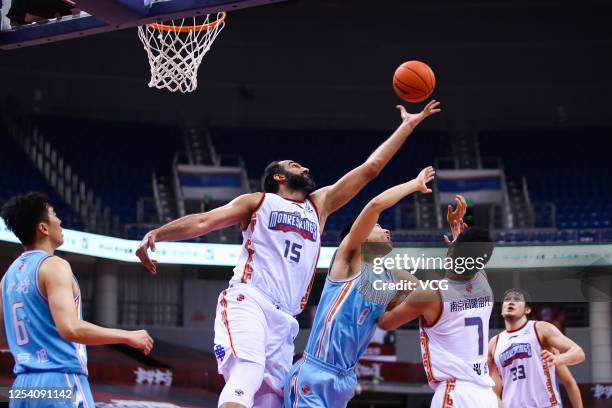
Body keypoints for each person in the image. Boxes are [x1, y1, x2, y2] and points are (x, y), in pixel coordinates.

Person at [136, 101, 442, 408]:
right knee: (247, 373)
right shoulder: (257, 202)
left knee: (272, 400)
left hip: (285, 320)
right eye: (295, 166)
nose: (305, 168)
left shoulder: (318, 205)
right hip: (250, 300)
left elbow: (370, 170)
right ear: (279, 177)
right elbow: (204, 221)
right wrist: (158, 233)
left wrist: (407, 126)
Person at [283, 166, 435, 408]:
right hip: (317, 371)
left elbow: (426, 297)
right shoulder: (349, 259)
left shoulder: (388, 277)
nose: (386, 229)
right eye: (377, 227)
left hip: (346, 380)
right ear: (360, 235)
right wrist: (414, 185)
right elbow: (375, 205)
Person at [0, 192, 153, 408]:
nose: (60, 220)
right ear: (43, 228)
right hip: (59, 380)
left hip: (23, 388)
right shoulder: (54, 265)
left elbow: (5, 336)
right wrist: (128, 336)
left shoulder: (8, 277)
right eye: (54, 215)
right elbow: (70, 328)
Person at [378, 200, 498, 407]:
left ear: (451, 254)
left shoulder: (431, 294)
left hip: (455, 393)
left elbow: (385, 323)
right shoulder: (484, 285)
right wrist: (458, 235)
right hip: (486, 395)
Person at [488, 288, 585, 408]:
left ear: (527, 309)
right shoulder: (494, 343)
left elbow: (579, 353)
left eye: (517, 299)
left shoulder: (540, 329)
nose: (511, 302)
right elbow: (491, 389)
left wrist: (559, 358)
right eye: (507, 300)